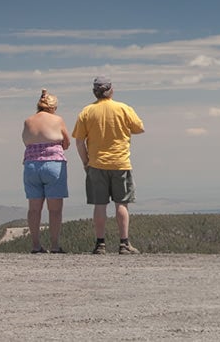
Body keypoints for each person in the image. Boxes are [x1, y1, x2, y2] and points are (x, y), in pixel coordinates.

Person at [72, 76, 145, 255]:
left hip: (96, 164)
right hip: (120, 163)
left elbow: (80, 142)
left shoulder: (87, 112)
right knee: (122, 204)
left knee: (99, 205)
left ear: (94, 92)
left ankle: (100, 244)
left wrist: (86, 163)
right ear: (111, 90)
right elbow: (139, 128)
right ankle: (124, 243)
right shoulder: (123, 108)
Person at [21, 89, 70, 254]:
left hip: (31, 165)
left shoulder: (28, 121)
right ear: (53, 107)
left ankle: (36, 245)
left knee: (34, 208)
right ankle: (55, 245)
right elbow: (67, 141)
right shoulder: (57, 120)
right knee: (55, 209)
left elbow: (26, 141)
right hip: (53, 164)